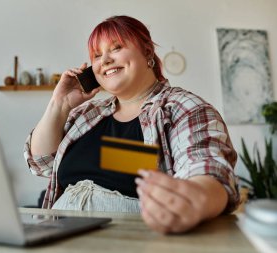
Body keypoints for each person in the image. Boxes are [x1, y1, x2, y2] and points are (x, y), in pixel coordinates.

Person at [24, 15, 239, 233]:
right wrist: (59, 104)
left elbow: (208, 170)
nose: (105, 60)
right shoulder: (86, 114)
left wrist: (195, 200)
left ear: (147, 52)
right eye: (97, 55)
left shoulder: (183, 107)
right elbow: (41, 163)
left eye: (116, 48)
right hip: (54, 236)